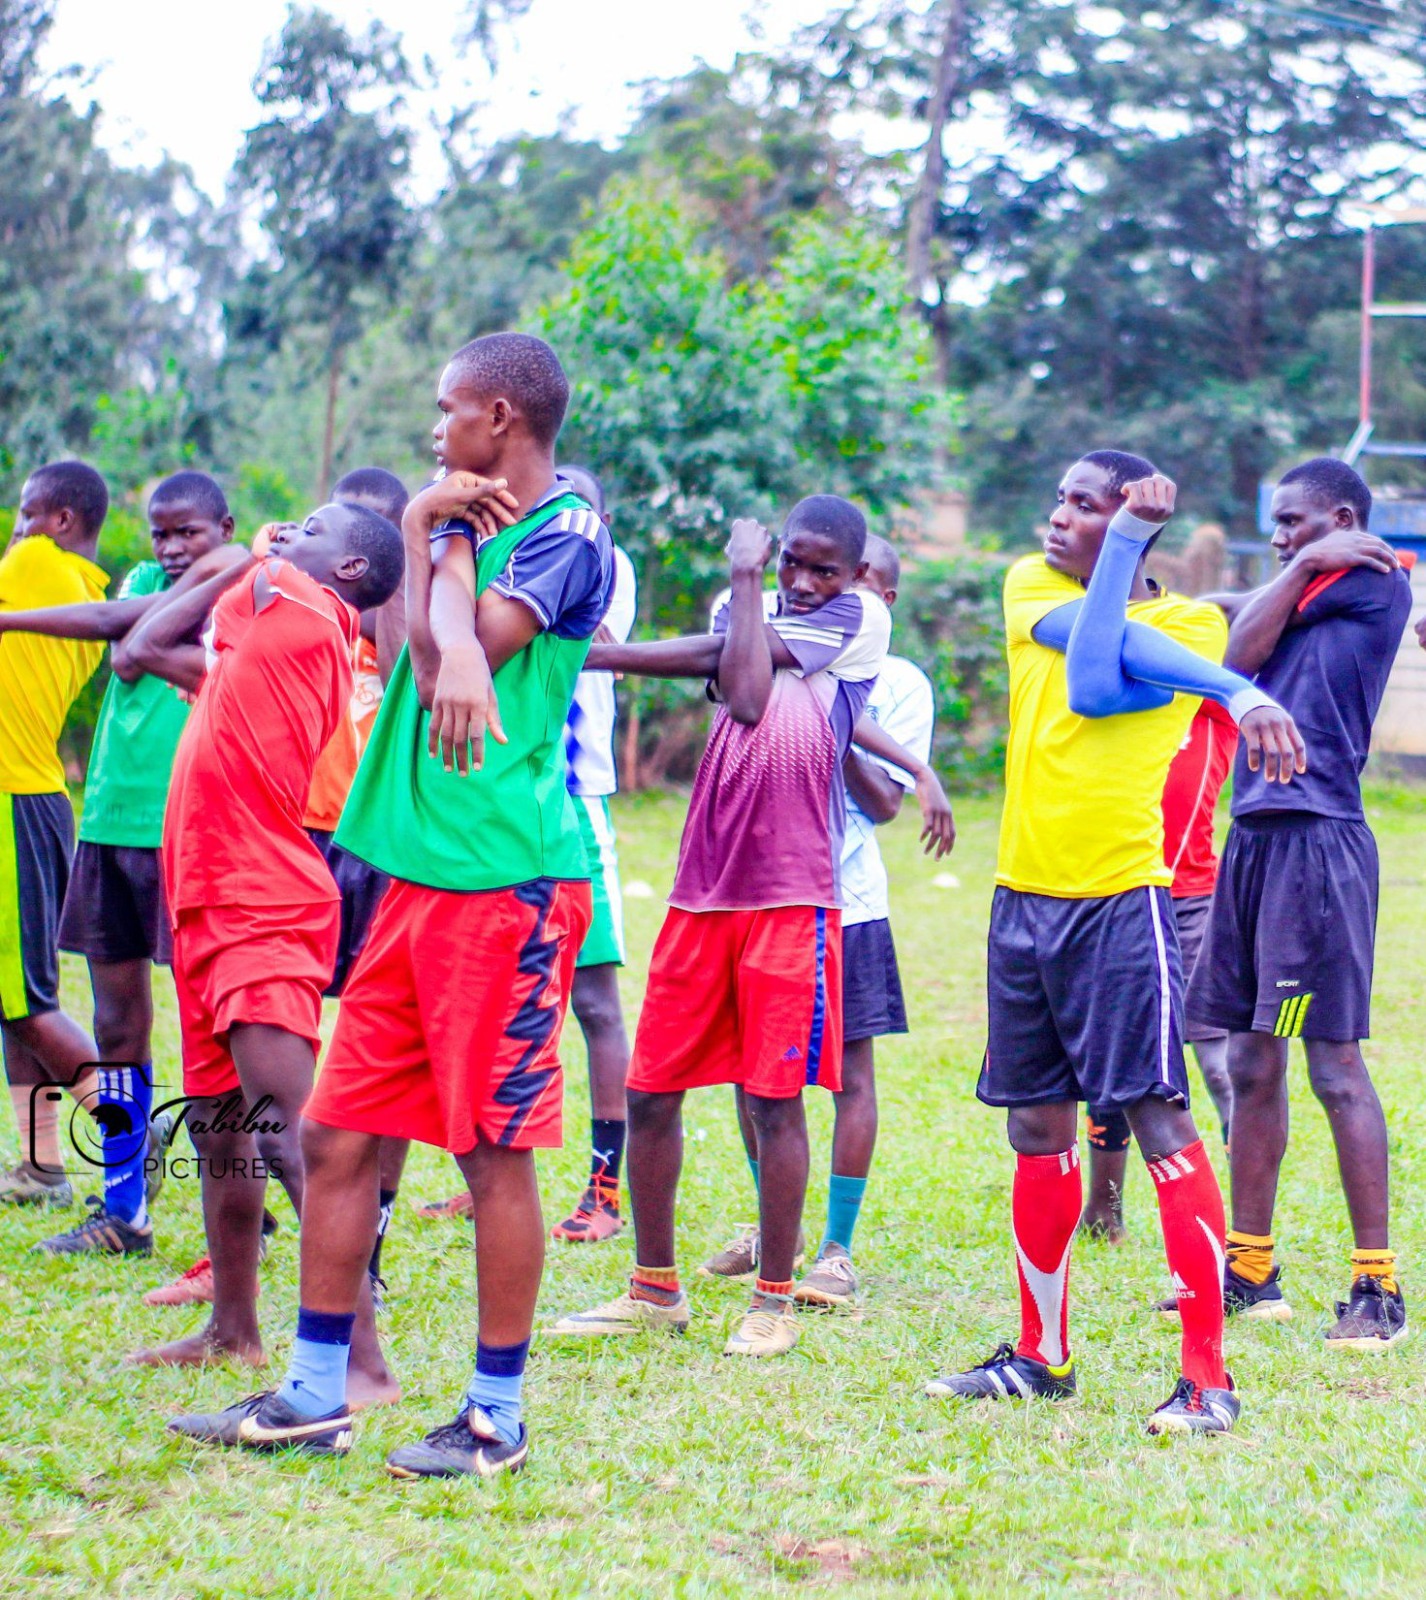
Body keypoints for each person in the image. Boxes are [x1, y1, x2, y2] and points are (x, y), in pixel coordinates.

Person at [167, 333, 613, 1481]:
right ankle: (317, 1391)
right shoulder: (462, 523)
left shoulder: (568, 532)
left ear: (501, 416)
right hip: (407, 877)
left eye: (447, 408)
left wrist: (456, 618)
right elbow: (425, 640)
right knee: (339, 1135)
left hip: (503, 882)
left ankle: (493, 1416)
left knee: (489, 1153)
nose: (435, 426)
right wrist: (424, 530)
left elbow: (479, 641)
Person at [926, 450, 1304, 1436]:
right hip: (1021, 901)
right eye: (1058, 497)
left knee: (1155, 1120)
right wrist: (1240, 691)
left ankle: (1206, 1381)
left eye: (1086, 507)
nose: (1057, 518)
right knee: (1034, 1127)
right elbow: (1091, 657)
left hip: (1117, 905)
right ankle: (1041, 1357)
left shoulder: (1185, 622)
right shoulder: (1027, 585)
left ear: (1134, 531)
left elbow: (1095, 683)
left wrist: (1220, 672)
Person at [551, 494, 891, 1359]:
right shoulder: (748, 613)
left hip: (791, 895)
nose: (806, 582)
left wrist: (743, 576)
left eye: (825, 568)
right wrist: (606, 656)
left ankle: (773, 1297)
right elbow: (717, 654)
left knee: (773, 1100)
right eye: (792, 564)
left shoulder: (860, 617)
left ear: (854, 575)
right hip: (703, 888)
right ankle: (654, 1289)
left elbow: (741, 694)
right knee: (650, 1091)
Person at [117, 501, 402, 1399]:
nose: (292, 531)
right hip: (206, 900)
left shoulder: (303, 608)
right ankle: (233, 1328)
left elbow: (167, 617)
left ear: (349, 570)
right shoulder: (258, 636)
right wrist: (233, 563)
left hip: (261, 901)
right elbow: (141, 647)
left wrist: (248, 552)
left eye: (316, 527)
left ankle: (364, 1361)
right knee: (221, 1130)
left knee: (292, 1136)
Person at [1186, 457, 1412, 1347]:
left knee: (1332, 1065)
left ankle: (1378, 1288)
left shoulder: (1375, 582)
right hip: (1255, 835)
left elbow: (1241, 647)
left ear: (1346, 518)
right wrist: (1303, 560)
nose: (1280, 537)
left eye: (1295, 523)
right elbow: (1232, 657)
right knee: (1248, 1063)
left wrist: (1311, 565)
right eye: (1274, 525)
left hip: (1321, 844)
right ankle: (1247, 1268)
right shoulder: (1309, 578)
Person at [700, 534, 942, 1308]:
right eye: (815, 578)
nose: (833, 599)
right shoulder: (761, 635)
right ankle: (779, 1231)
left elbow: (884, 803)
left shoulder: (899, 685)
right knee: (751, 1070)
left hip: (847, 899)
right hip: (756, 889)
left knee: (849, 1071)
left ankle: (836, 1245)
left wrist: (831, 712)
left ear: (885, 602)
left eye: (860, 585)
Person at [0, 472, 238, 1254]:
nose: (171, 548)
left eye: (189, 534)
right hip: (107, 824)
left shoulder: (241, 584)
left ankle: (240, 1199)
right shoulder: (145, 577)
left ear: (226, 529)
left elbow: (128, 634)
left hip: (187, 828)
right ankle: (123, 1208)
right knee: (116, 1021)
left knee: (214, 1024)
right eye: (161, 534)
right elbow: (120, 630)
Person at [416, 462, 639, 1245]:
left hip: (571, 806)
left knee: (595, 1002)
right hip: (495, 811)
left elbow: (509, 638)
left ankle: (605, 1189)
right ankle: (486, 1178)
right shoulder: (501, 556)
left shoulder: (590, 553)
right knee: (494, 1000)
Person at [1080, 695, 1240, 1240]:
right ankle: (1104, 1209)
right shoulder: (1129, 700)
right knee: (1112, 1060)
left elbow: (1232, 618)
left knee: (1221, 1068)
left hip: (1194, 903)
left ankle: (1245, 1229)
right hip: (1116, 896)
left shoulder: (1213, 706)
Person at [0, 461, 113, 1211]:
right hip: (37, 799)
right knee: (15, 996)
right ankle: (41, 1167)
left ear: (59, 521)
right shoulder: (88, 597)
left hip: (12, 799)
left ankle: (131, 1125)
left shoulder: (39, 564)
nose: (15, 528)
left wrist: (22, 538)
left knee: (28, 999)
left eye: (23, 514)